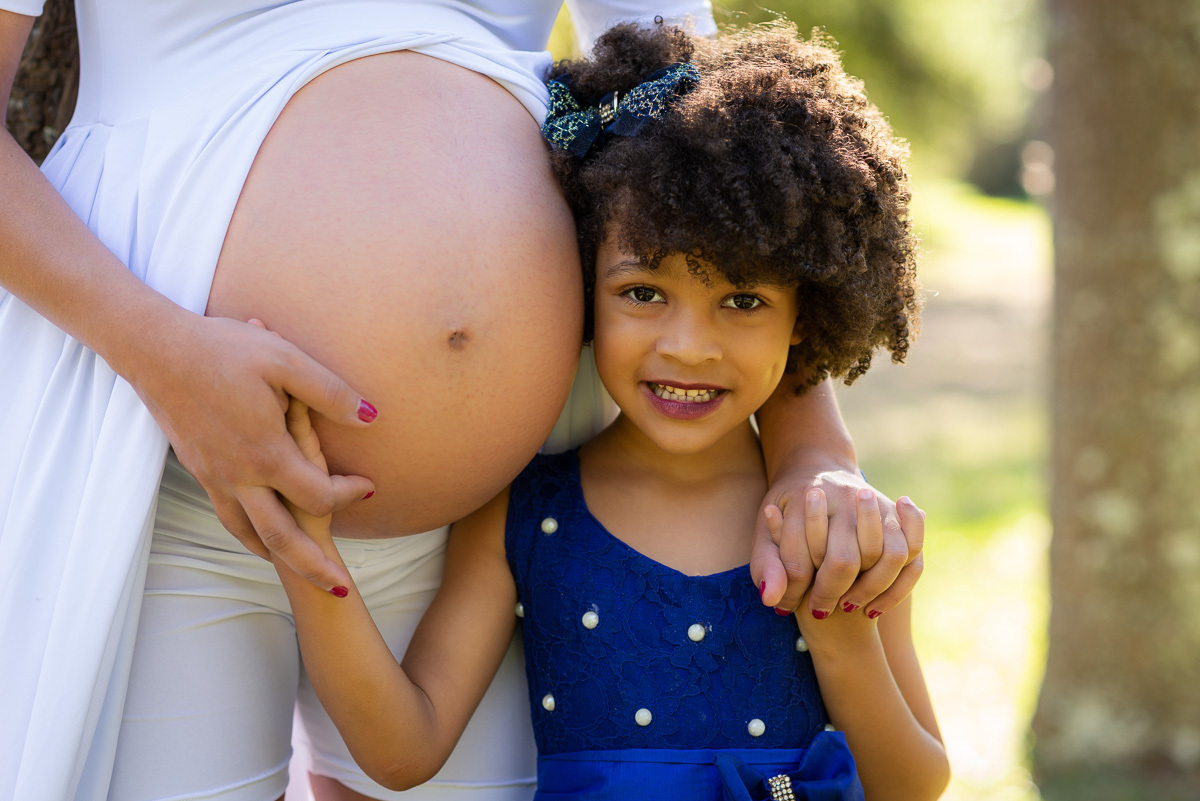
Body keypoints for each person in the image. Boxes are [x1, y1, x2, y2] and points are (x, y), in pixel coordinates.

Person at [0, 3, 921, 800]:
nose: (690, 335)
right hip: (164, 470)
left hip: (497, 497)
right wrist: (160, 352)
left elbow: (716, 139)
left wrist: (811, 448)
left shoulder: (558, 522)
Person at [271, 21, 949, 801]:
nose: (689, 346)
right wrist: (302, 547)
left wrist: (843, 643)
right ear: (583, 286)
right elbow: (403, 747)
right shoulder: (526, 511)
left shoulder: (832, 525)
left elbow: (916, 784)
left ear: (807, 317)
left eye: (742, 299)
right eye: (644, 292)